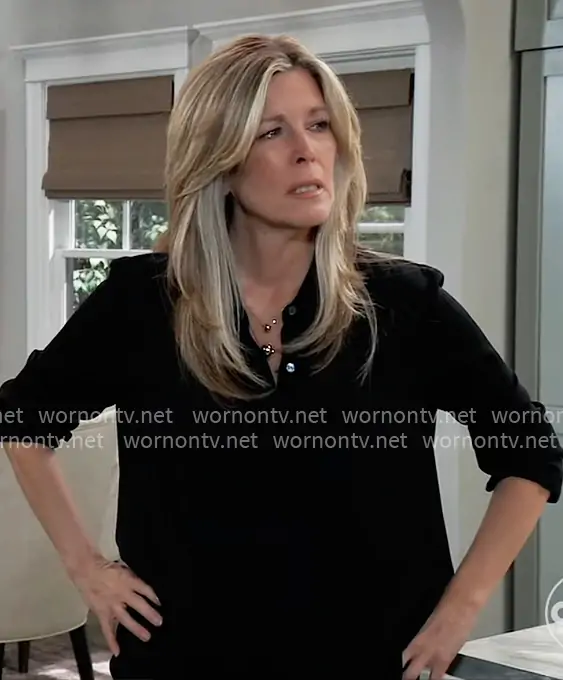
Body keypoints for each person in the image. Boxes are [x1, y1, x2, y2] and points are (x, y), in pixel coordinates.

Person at [0, 34, 562, 680]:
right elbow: (22, 419)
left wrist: (459, 611)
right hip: (185, 662)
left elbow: (530, 453)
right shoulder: (141, 305)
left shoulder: (405, 305)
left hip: (376, 663)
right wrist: (86, 568)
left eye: (319, 125)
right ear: (220, 160)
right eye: (272, 132)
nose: (306, 150)